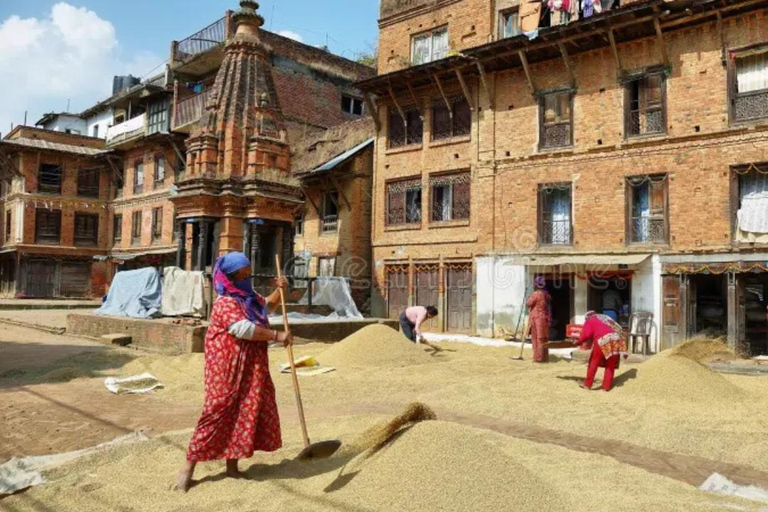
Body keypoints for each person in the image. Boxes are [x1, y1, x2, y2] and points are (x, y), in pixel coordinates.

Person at [175, 252, 293, 492]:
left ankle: (232, 466)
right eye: (241, 276)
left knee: (245, 410)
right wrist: (276, 336)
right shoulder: (225, 303)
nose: (246, 280)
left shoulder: (248, 297)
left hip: (251, 367)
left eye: (248, 275)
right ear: (229, 278)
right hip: (227, 369)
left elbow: (266, 307)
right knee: (217, 412)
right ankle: (187, 470)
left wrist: (281, 290)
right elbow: (244, 329)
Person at [574, 310, 628, 392]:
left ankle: (588, 384)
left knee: (594, 361)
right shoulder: (605, 319)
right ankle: (606, 387)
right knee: (610, 364)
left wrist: (577, 342)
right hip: (616, 339)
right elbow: (619, 330)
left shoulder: (590, 320)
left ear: (587, 317)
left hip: (603, 340)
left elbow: (586, 334)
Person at [526, 276, 551, 363]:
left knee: (537, 337)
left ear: (536, 285)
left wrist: (528, 297)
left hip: (536, 318)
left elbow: (529, 304)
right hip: (545, 318)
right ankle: (544, 356)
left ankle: (538, 357)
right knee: (544, 337)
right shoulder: (546, 294)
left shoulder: (536, 294)